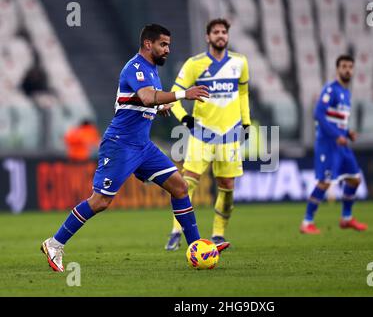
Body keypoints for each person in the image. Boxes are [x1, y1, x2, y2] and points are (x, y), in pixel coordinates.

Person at [40, 24, 229, 272]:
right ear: (148, 44)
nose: (168, 50)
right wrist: (183, 94)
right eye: (163, 44)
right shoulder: (135, 67)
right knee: (100, 202)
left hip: (142, 146)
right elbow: (149, 96)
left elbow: (143, 101)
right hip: (121, 144)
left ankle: (196, 247)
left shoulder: (151, 70)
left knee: (180, 187)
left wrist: (158, 108)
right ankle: (54, 243)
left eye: (169, 45)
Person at [165, 18, 251, 250]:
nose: (221, 35)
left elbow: (243, 94)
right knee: (185, 184)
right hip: (202, 134)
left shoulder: (240, 62)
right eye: (216, 32)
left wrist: (246, 122)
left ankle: (218, 235)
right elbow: (175, 94)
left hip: (231, 135)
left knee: (227, 188)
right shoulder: (195, 64)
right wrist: (185, 119)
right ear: (207, 37)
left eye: (224, 32)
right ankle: (176, 231)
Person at [300, 54, 368, 234]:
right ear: (337, 69)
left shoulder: (347, 93)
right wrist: (338, 135)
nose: (347, 70)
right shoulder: (330, 90)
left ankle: (346, 218)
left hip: (341, 143)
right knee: (324, 182)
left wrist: (347, 133)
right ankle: (307, 222)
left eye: (350, 67)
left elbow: (335, 119)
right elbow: (319, 114)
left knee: (355, 178)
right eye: (344, 66)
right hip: (327, 143)